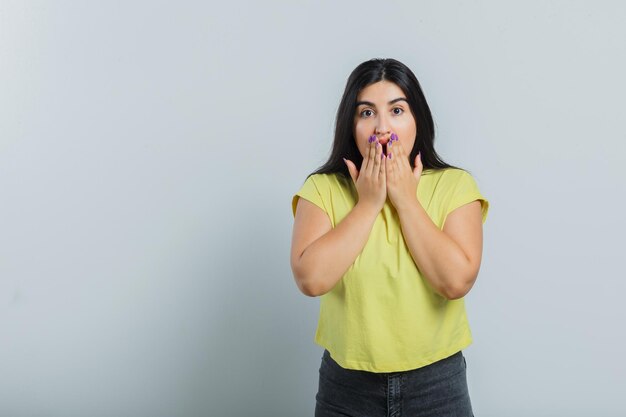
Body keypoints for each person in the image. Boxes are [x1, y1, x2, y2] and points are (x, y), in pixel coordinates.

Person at [290, 58, 489, 417]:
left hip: (437, 385)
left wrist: (405, 200)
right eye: (367, 113)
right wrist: (368, 204)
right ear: (350, 124)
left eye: (396, 110)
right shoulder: (322, 189)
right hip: (346, 388)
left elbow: (456, 281)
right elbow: (311, 279)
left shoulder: (455, 185)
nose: (382, 127)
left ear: (417, 120)